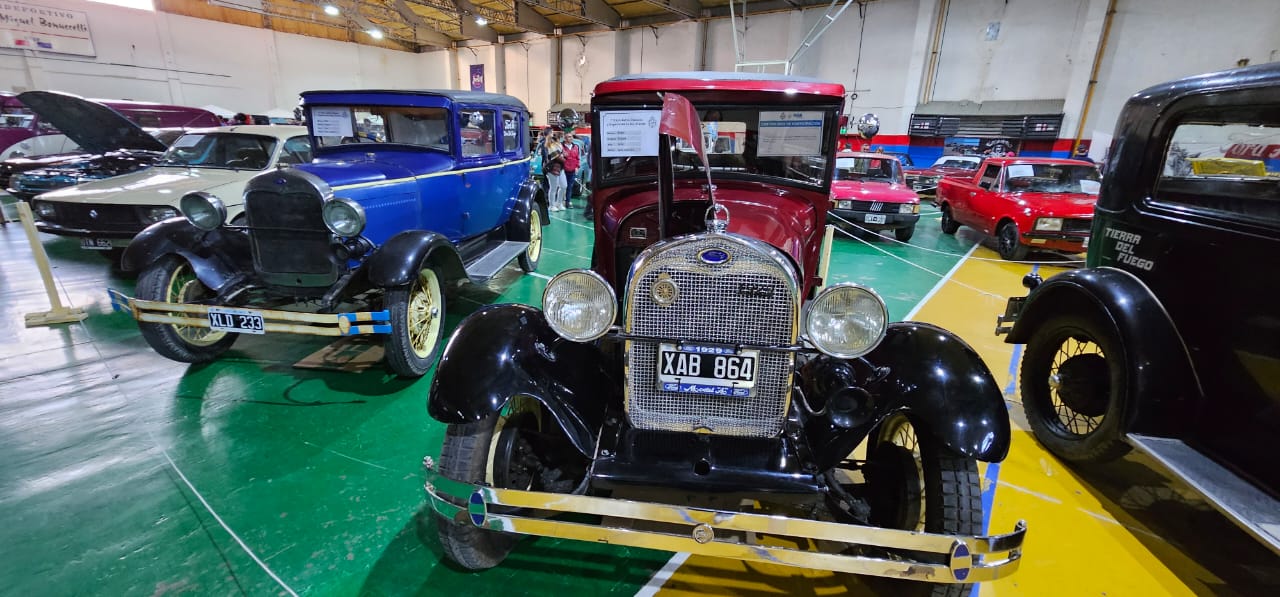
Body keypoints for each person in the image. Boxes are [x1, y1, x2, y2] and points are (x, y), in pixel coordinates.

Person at [562, 134, 581, 209]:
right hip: (563, 170)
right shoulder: (561, 146)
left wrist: (577, 167)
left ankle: (568, 202)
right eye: (569, 137)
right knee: (563, 187)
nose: (571, 138)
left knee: (570, 187)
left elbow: (577, 158)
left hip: (572, 170)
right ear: (565, 138)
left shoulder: (576, 147)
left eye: (571, 137)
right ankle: (561, 202)